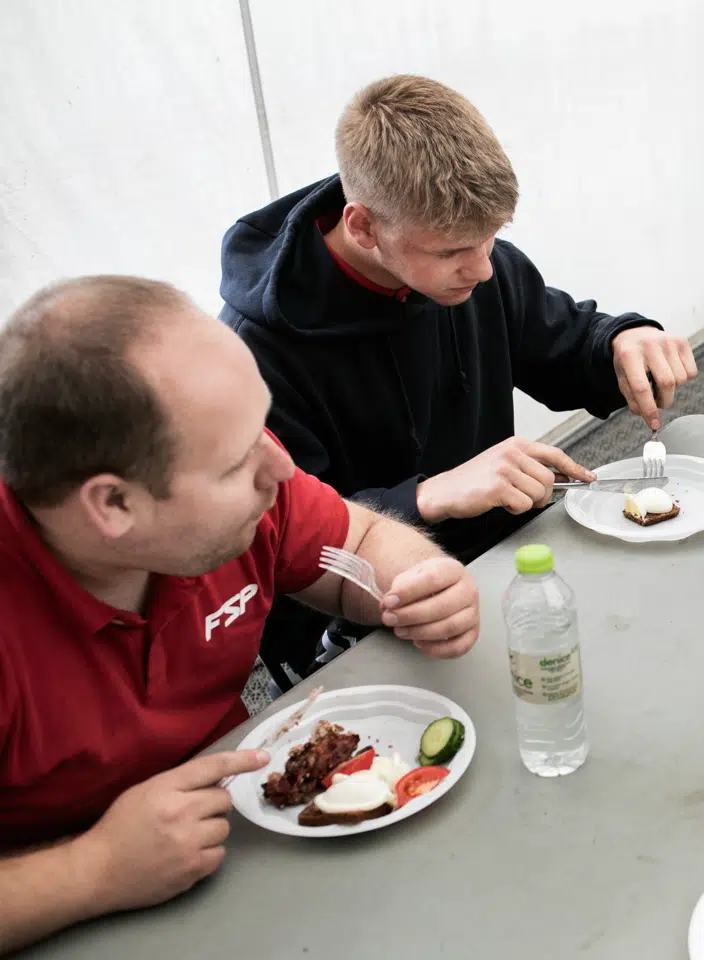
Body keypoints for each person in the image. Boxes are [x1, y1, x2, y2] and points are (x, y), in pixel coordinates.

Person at [0, 277, 480, 951]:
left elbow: (362, 544)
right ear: (111, 506)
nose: (281, 467)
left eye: (265, 425)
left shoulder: (242, 504)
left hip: (249, 851)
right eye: (233, 464)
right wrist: (94, 870)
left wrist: (418, 583)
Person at [219, 75, 696, 687]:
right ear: (362, 226)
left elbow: (563, 342)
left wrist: (622, 341)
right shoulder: (253, 355)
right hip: (373, 621)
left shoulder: (472, 260)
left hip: (508, 561)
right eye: (453, 252)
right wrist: (425, 497)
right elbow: (279, 551)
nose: (484, 266)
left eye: (490, 238)